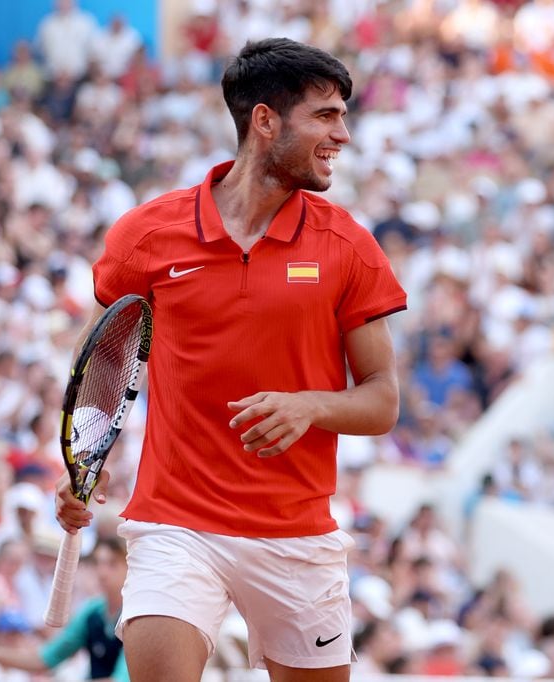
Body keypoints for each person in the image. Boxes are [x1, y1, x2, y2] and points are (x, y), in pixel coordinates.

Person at [55, 38, 407, 682]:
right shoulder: (147, 235)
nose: (344, 134)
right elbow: (101, 357)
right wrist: (81, 460)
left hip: (298, 532)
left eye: (344, 116)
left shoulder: (349, 245)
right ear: (265, 120)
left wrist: (312, 405)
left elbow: (383, 399)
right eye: (325, 115)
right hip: (175, 523)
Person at [0, 537, 129, 681]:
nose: (102, 572)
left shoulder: (134, 616)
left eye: (112, 564)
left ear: (129, 567)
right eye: (98, 563)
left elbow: (121, 679)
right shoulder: (92, 611)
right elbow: (45, 658)